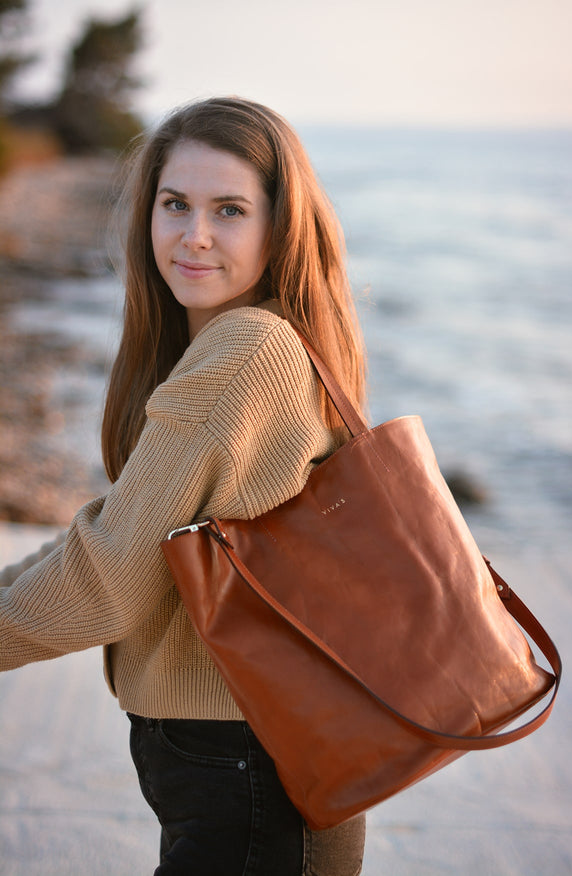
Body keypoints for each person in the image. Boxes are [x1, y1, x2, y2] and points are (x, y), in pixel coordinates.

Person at [0, 97, 367, 875]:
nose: (193, 235)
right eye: (175, 204)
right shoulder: (259, 338)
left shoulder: (245, 350)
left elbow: (107, 580)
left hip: (254, 778)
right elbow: (117, 529)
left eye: (228, 210)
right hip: (260, 769)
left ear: (279, 226)